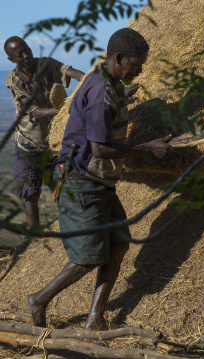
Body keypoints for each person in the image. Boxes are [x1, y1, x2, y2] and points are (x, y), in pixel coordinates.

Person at [26, 28, 173, 331]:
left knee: (118, 244)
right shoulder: (101, 93)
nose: (141, 70)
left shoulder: (111, 83)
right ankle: (39, 299)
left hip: (101, 184)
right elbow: (100, 148)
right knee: (89, 256)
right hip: (82, 181)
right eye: (137, 64)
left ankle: (95, 317)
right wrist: (147, 147)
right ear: (119, 58)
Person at [4, 36, 85, 227]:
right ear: (12, 60)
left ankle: (71, 224)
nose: (26, 55)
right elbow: (32, 110)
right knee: (30, 193)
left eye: (27, 49)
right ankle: (34, 235)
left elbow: (69, 71)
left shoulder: (47, 64)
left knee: (65, 186)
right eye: (19, 54)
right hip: (29, 147)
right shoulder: (14, 80)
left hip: (53, 143)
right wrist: (63, 110)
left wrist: (88, 81)